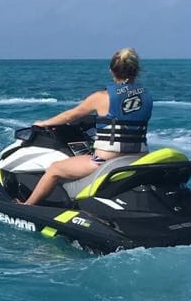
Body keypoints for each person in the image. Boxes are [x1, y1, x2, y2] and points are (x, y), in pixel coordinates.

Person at [20, 47, 152, 206]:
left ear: (112, 70)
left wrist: (43, 123)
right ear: (136, 70)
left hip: (103, 161)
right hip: (139, 158)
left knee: (54, 169)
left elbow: (70, 116)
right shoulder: (147, 96)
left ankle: (26, 206)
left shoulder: (101, 97)